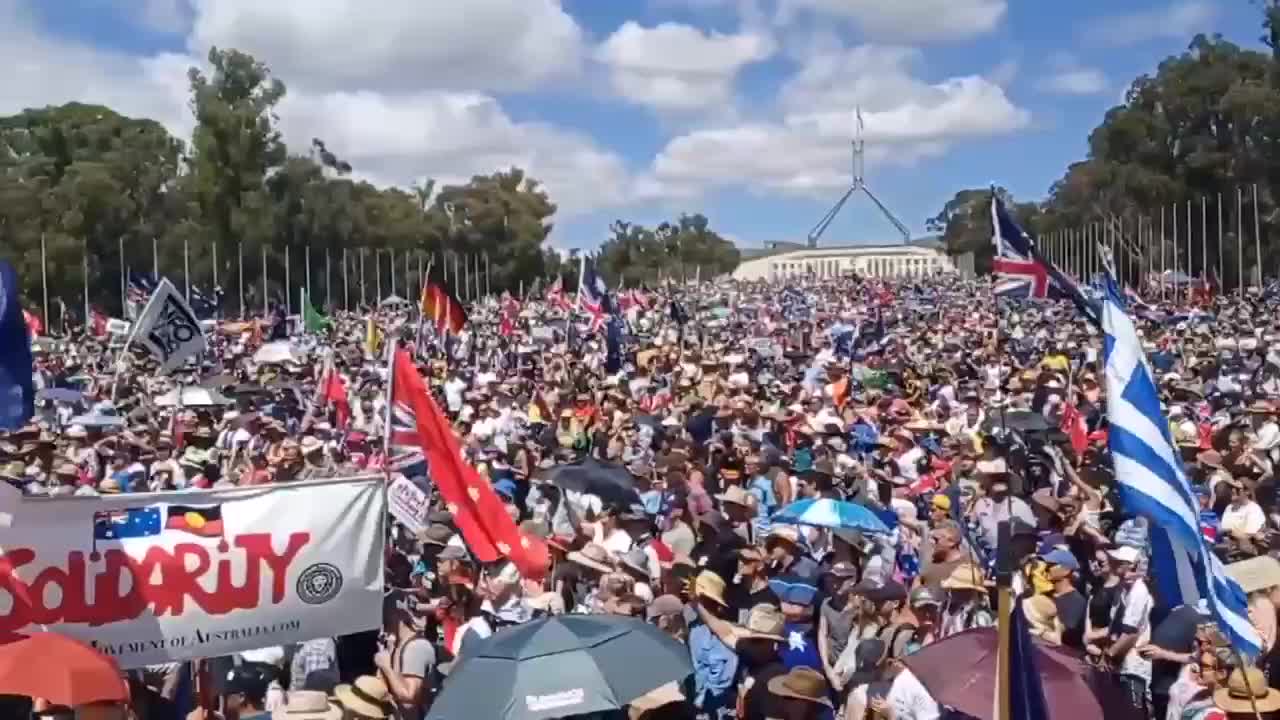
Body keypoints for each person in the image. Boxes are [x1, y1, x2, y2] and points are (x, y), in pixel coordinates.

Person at [375, 598, 434, 720]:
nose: (381, 622)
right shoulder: (396, 645)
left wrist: (386, 667)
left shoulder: (416, 647)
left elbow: (408, 699)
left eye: (385, 615)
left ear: (400, 614)